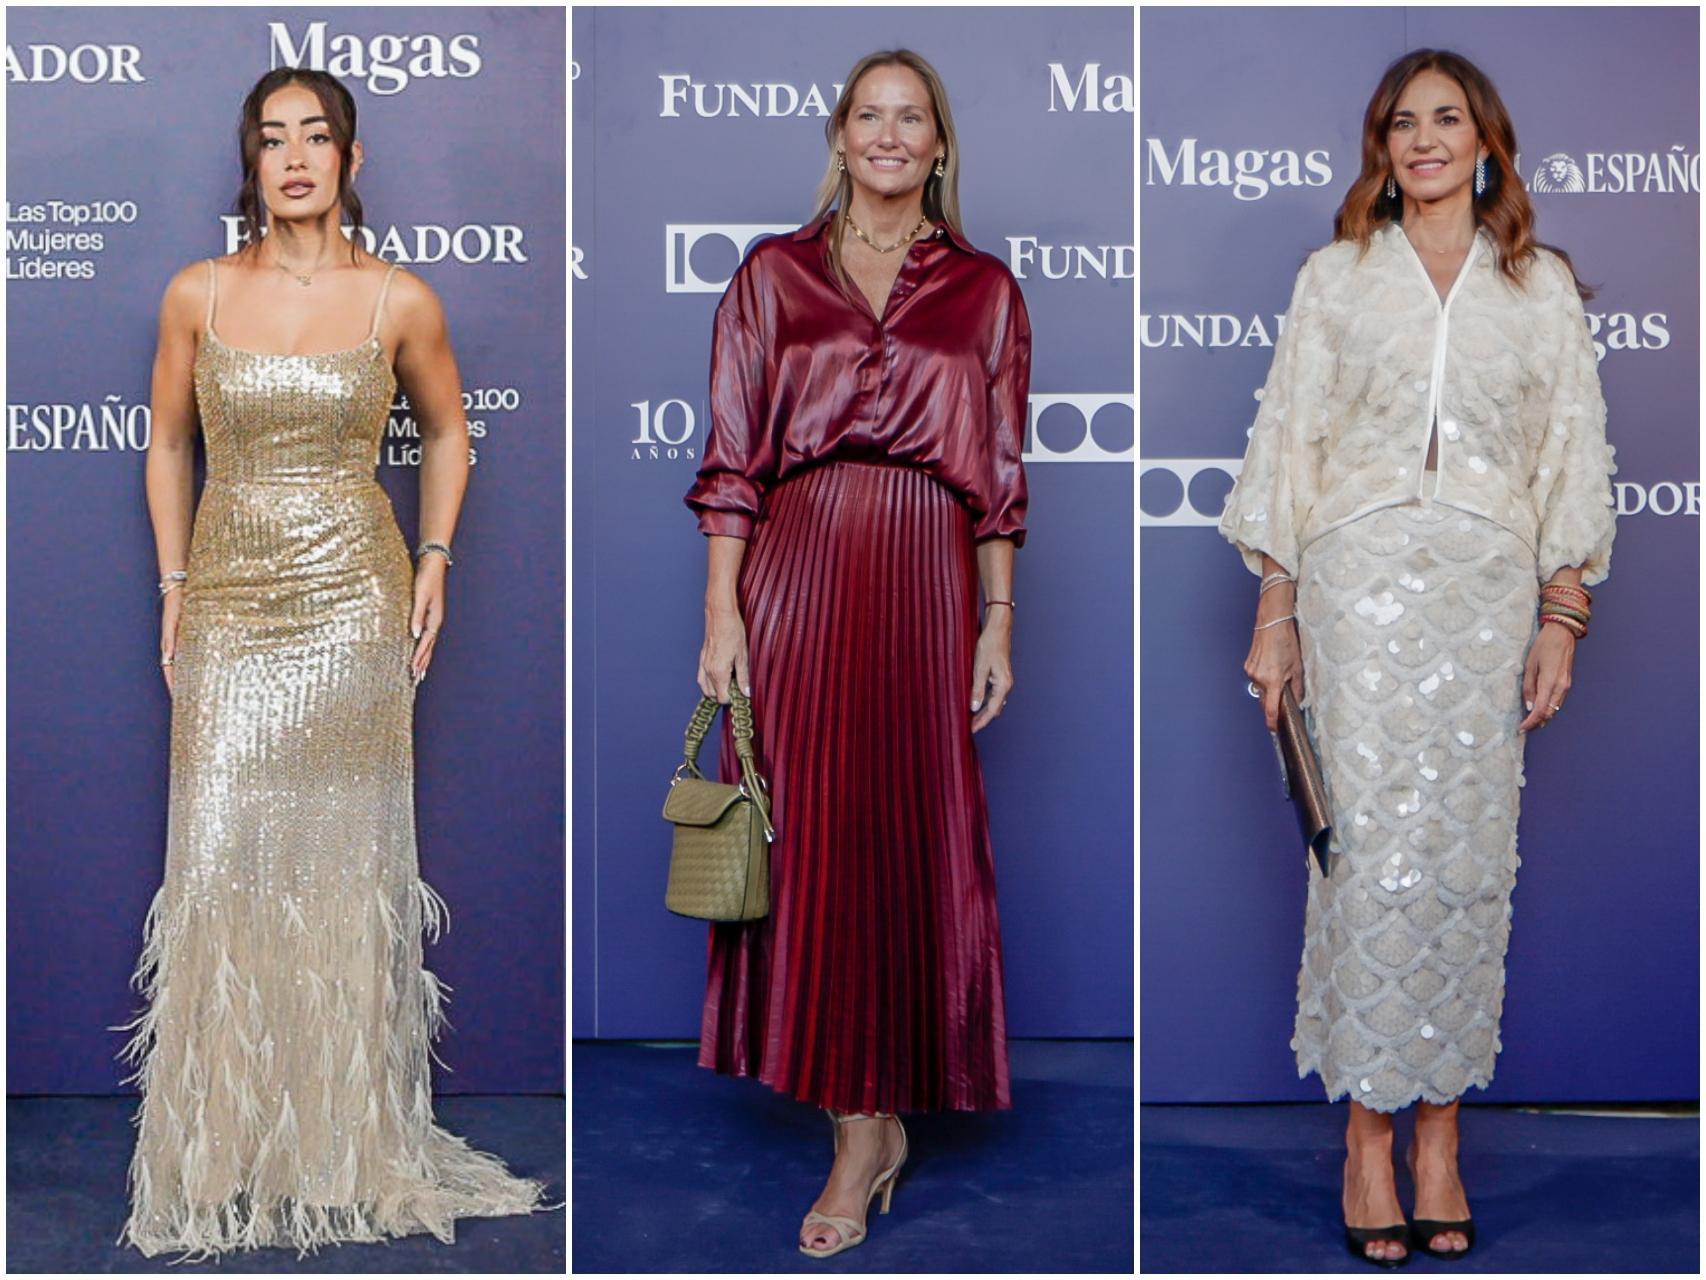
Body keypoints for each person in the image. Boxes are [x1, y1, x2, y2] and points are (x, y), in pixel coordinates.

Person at [120, 67, 547, 1258]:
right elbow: (166, 442)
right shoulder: (197, 291)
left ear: (350, 158)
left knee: (343, 862)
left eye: (316, 136)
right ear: (251, 163)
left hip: (354, 598)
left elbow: (449, 429)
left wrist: (435, 553)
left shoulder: (398, 298)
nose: (296, 157)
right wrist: (173, 581)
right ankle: (224, 1144)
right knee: (222, 856)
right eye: (273, 139)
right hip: (230, 599)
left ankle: (341, 1141)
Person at [1218, 50, 1616, 1268]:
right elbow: (1290, 444)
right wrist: (1276, 607)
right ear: (1380, 147)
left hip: (1483, 600)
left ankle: (1437, 1134)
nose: (1425, 138)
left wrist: (1559, 614)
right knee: (1364, 862)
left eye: (1447, 119)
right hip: (1357, 595)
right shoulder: (1335, 277)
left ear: (1484, 142)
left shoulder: (1537, 285)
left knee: (1462, 864)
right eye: (1403, 122)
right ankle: (1364, 1137)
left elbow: (1569, 452)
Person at [683, 47, 1030, 1260]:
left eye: (910, 117)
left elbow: (998, 471)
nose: (887, 134)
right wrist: (722, 613)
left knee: (910, 834)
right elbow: (731, 459)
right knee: (811, 840)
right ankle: (854, 1123)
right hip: (795, 574)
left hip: (927, 578)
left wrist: (996, 616)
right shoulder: (771, 275)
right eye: (868, 115)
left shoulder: (983, 289)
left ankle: (890, 1104)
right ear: (838, 135)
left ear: (938, 144)